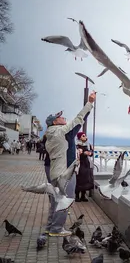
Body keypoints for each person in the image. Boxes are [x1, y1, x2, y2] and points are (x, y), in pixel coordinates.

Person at [44, 91, 96, 237]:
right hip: (64, 173)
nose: (63, 117)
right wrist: (90, 103)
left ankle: (50, 227)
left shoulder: (51, 134)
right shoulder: (61, 132)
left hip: (56, 171)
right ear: (55, 122)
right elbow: (79, 119)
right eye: (59, 117)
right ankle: (57, 229)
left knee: (56, 200)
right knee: (66, 199)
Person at [75, 132, 94, 202]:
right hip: (80, 164)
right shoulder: (77, 144)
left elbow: (91, 152)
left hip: (86, 164)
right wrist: (83, 153)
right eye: (83, 136)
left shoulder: (88, 144)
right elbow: (76, 153)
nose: (85, 137)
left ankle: (83, 195)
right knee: (79, 180)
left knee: (86, 180)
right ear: (80, 137)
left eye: (85, 135)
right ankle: (77, 196)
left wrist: (90, 153)